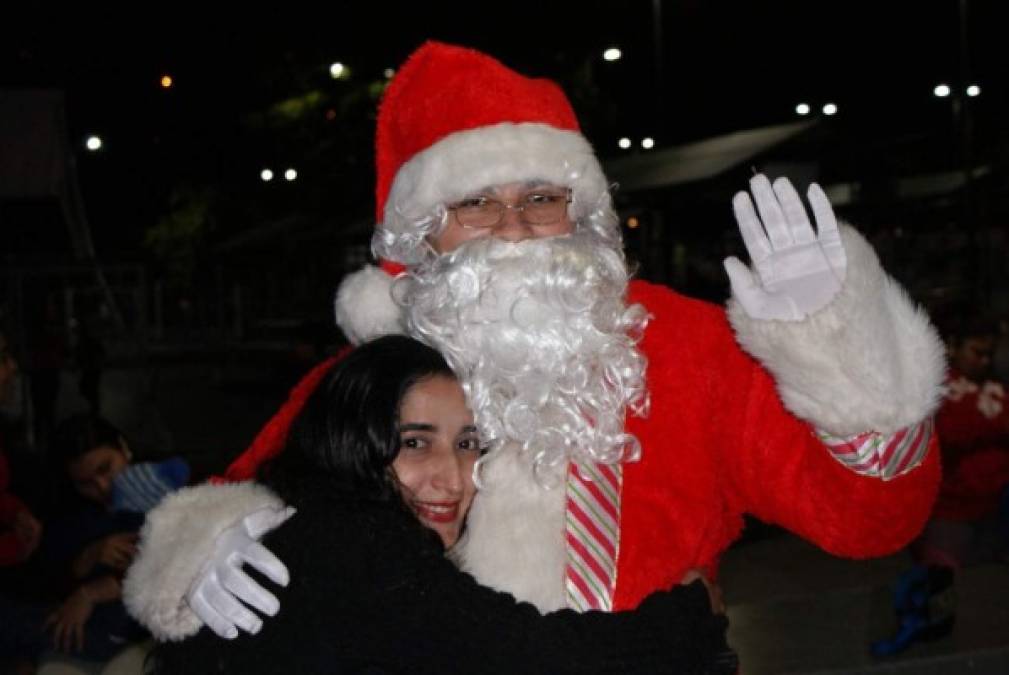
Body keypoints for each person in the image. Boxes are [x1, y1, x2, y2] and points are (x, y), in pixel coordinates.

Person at [125, 41, 945, 647]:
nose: (514, 227)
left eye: (542, 198)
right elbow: (237, 492)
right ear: (419, 238)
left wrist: (838, 354)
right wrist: (203, 549)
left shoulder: (683, 346)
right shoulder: (371, 373)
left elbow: (868, 523)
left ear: (580, 215)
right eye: (475, 203)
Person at [141, 335, 736, 674]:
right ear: (354, 440)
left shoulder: (307, 531)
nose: (452, 477)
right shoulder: (353, 541)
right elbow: (530, 657)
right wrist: (690, 614)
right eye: (414, 443)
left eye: (468, 444)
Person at [872, 314, 1009, 656]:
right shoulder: (933, 386)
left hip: (993, 506)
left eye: (989, 353)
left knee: (984, 597)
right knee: (938, 590)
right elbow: (952, 430)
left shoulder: (992, 387)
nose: (985, 360)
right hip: (948, 511)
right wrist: (994, 425)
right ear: (952, 346)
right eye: (977, 351)